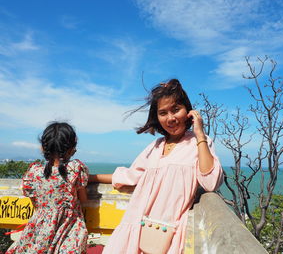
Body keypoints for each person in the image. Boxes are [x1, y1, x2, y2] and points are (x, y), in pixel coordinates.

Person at [90, 79, 223, 254]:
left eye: (176, 110)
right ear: (157, 117)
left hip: (167, 233)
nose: (171, 118)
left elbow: (210, 182)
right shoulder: (155, 147)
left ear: (188, 111)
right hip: (137, 225)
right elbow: (129, 176)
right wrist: (90, 178)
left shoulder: (198, 143)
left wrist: (200, 134)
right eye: (163, 113)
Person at [6, 122, 89, 254]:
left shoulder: (34, 171)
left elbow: (36, 203)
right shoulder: (75, 169)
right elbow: (84, 200)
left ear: (43, 148)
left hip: (39, 229)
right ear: (71, 149)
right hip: (68, 228)